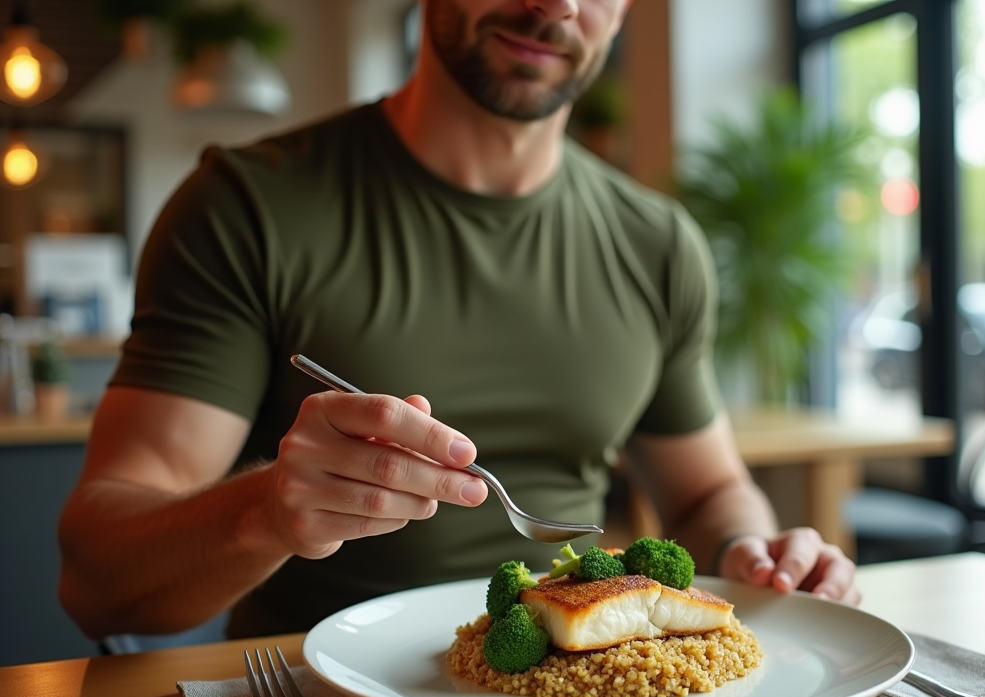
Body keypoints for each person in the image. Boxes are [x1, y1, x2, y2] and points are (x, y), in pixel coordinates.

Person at [58, 0, 860, 642]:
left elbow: (709, 491)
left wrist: (753, 553)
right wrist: (266, 511)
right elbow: (96, 583)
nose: (555, 5)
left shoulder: (658, 244)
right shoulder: (244, 209)